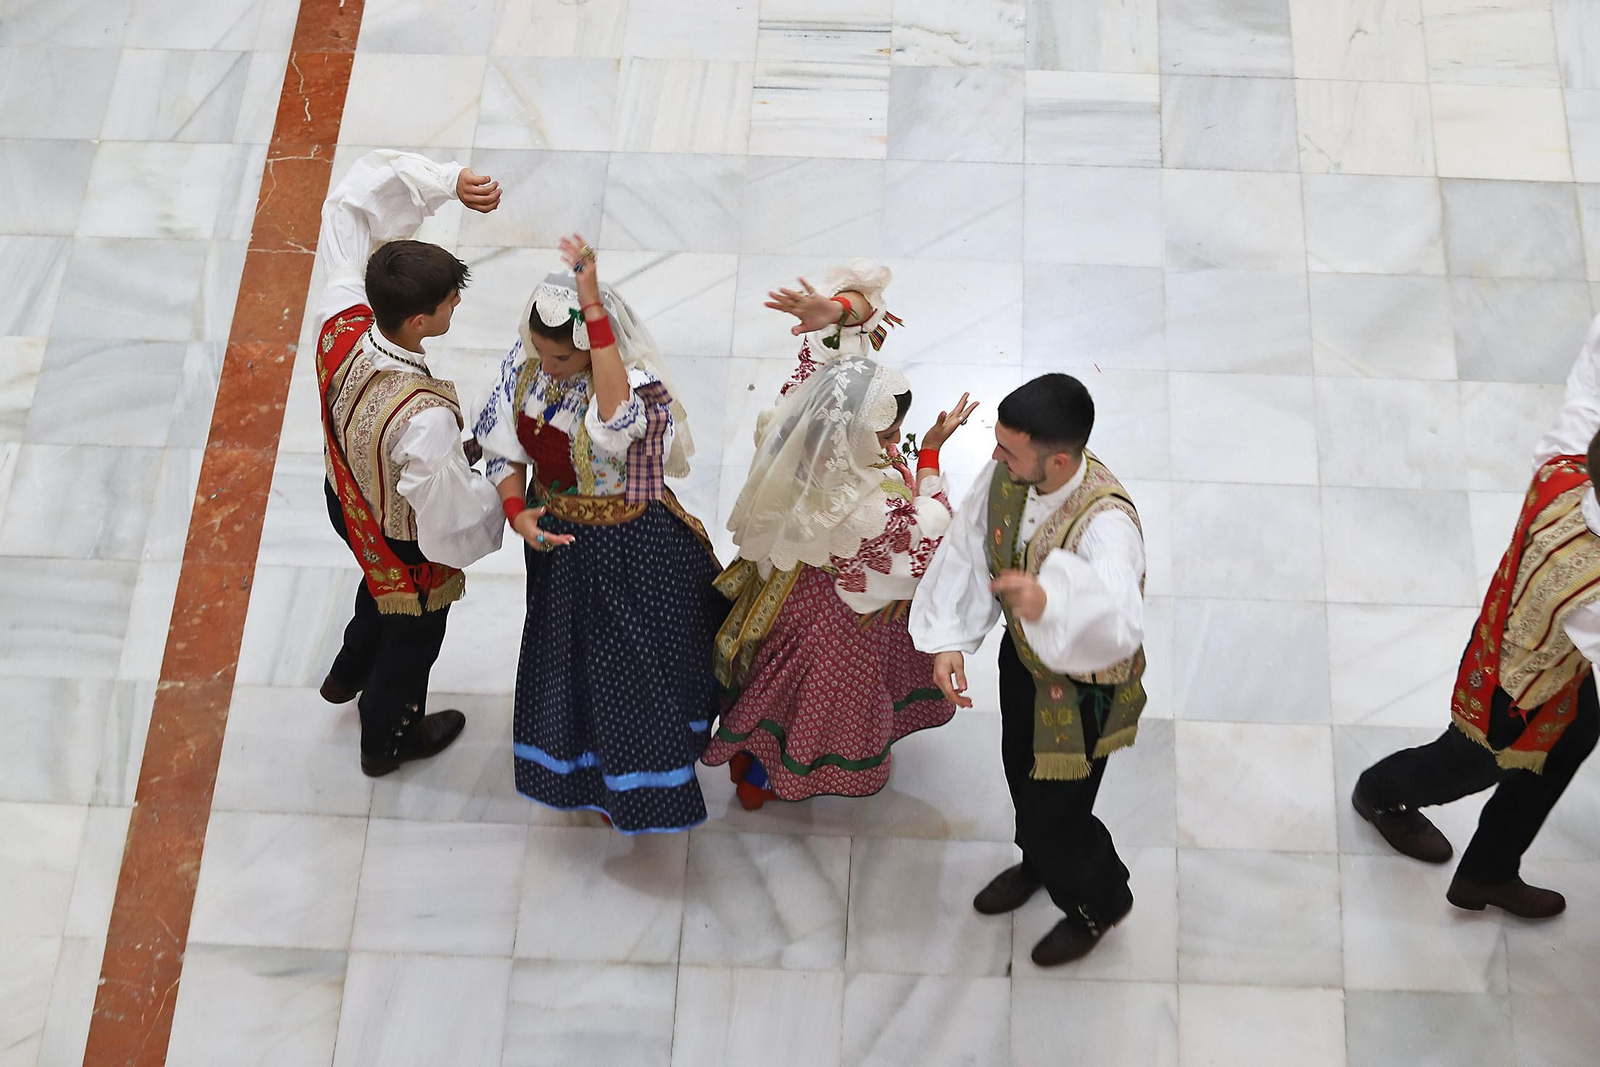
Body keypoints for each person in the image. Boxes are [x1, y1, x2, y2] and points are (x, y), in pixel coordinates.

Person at [470, 233, 723, 834]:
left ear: (591, 346)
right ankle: (576, 769)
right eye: (540, 353)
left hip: (626, 550)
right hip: (557, 543)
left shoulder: (627, 384)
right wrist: (516, 511)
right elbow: (501, 450)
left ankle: (640, 788)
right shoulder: (523, 367)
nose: (547, 367)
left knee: (630, 666)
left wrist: (592, 307)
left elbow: (615, 421)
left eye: (561, 358)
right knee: (566, 660)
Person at [700, 264, 979, 808]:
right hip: (842, 619)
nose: (894, 440)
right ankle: (780, 775)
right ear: (857, 429)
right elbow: (932, 536)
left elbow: (842, 350)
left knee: (776, 688)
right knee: (827, 703)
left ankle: (752, 760)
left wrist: (839, 312)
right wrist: (927, 456)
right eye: (889, 433)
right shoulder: (864, 505)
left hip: (788, 588)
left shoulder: (805, 410)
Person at [1352, 314, 1600, 919]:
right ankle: (1379, 794)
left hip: (1536, 651)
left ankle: (1488, 872)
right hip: (1512, 699)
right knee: (1465, 765)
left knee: (1577, 732)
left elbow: (1589, 390)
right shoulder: (1593, 594)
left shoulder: (1564, 464)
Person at [909, 373, 1148, 967]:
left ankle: (1099, 900)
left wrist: (1051, 603)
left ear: (1059, 458)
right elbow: (969, 546)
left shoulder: (1106, 523)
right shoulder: (1013, 473)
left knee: (1059, 813)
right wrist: (950, 641)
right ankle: (1038, 863)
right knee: (1021, 776)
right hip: (1024, 664)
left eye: (1007, 449)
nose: (994, 457)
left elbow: (1119, 616)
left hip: (1082, 689)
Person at [314, 149, 506, 778]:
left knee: (376, 589)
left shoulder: (342, 320)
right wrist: (495, 479)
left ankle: (348, 670)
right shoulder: (422, 416)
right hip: (401, 537)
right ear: (421, 319)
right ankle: (388, 739)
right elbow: (447, 518)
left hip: (345, 498)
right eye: (452, 302)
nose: (456, 309)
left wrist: (447, 183)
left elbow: (349, 206)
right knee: (414, 636)